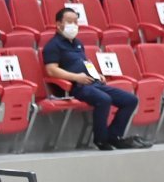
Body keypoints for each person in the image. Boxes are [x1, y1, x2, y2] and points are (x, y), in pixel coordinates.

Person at [43, 8, 149, 151]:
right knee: (104, 99)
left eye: (75, 22)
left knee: (130, 100)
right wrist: (76, 78)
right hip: (75, 87)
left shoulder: (77, 43)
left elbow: (84, 62)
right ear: (58, 24)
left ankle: (114, 136)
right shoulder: (53, 45)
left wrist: (96, 74)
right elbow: (51, 70)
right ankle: (101, 139)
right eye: (69, 22)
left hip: (93, 83)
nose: (73, 25)